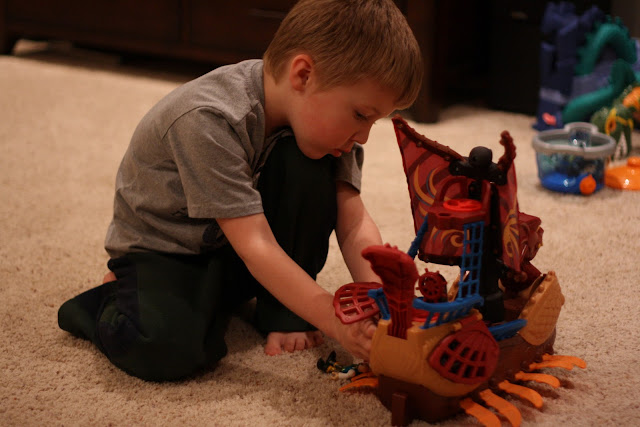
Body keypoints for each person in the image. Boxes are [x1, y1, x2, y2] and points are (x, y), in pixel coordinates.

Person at [58, 0, 423, 381]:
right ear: (303, 75)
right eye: (361, 115)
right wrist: (334, 320)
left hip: (239, 247)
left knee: (311, 161)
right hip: (167, 253)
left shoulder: (326, 132)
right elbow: (255, 246)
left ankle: (280, 311)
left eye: (374, 121)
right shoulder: (209, 118)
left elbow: (353, 221)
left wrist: (385, 300)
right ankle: (105, 302)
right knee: (167, 348)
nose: (363, 136)